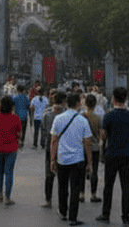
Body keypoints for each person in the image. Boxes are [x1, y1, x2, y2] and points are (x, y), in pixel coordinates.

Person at [51, 92, 94, 226]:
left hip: (62, 159)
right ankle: (73, 217)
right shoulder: (83, 120)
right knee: (75, 188)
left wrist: (53, 159)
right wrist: (90, 162)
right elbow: (88, 143)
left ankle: (63, 211)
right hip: (78, 160)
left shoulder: (58, 119)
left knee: (62, 186)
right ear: (77, 104)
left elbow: (53, 141)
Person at [97, 87, 129, 225]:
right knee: (126, 186)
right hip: (126, 153)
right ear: (125, 99)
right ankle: (126, 217)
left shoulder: (109, 116)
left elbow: (103, 135)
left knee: (109, 185)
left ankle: (105, 214)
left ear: (113, 98)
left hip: (111, 154)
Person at [0, 95, 21, 205]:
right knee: (9, 173)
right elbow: (19, 133)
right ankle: (8, 197)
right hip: (11, 148)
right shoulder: (15, 118)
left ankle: (0, 194)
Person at [41, 91, 67, 208]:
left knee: (49, 174)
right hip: (63, 147)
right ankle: (63, 201)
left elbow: (44, 130)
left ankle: (48, 199)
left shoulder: (46, 114)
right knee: (63, 176)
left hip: (49, 146)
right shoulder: (66, 115)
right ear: (64, 102)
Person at [81, 93, 103, 202]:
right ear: (95, 104)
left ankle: (81, 194)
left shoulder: (81, 117)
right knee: (94, 171)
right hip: (94, 148)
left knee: (82, 170)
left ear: (85, 104)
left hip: (82, 148)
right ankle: (93, 194)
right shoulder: (98, 118)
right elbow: (102, 134)